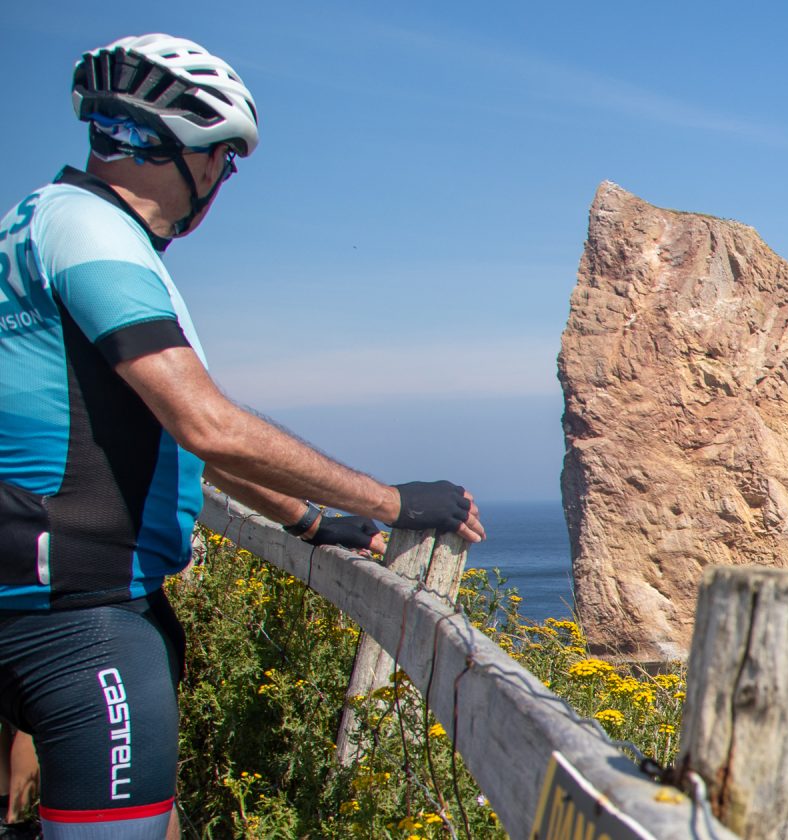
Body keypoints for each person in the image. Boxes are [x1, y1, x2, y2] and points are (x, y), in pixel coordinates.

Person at [0, 34, 486, 839]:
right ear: (183, 150)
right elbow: (207, 422)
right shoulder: (95, 239)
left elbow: (146, 435)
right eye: (224, 163)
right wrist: (395, 500)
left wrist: (309, 520)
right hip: (84, 621)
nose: (221, 184)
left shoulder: (29, 230)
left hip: (31, 601)